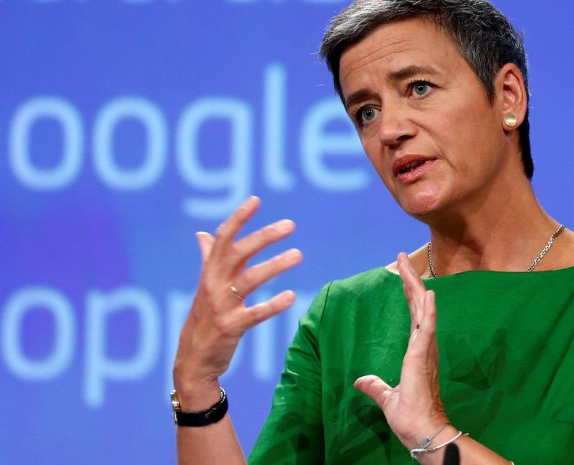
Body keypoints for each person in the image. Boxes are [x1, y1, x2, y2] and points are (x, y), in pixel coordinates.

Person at [171, 0, 574, 463]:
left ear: (507, 96)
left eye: (419, 88)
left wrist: (433, 436)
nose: (389, 130)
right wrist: (196, 385)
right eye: (366, 112)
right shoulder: (342, 316)